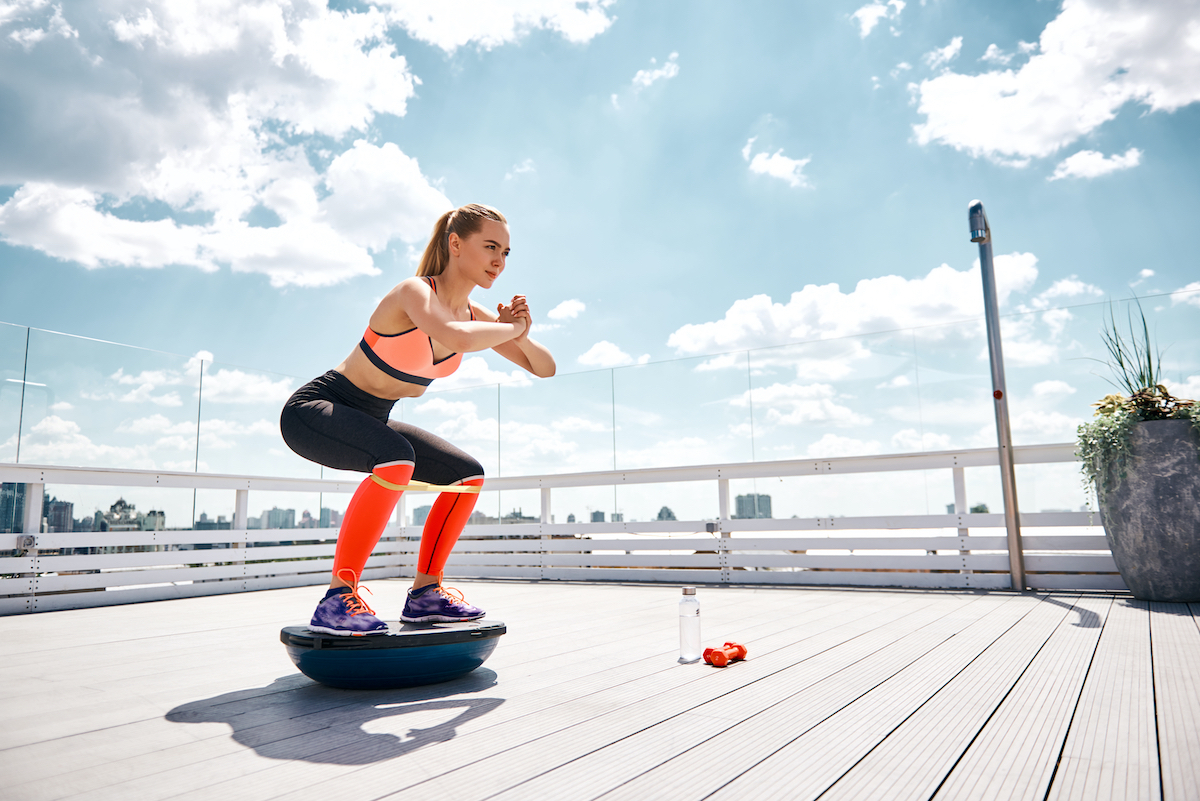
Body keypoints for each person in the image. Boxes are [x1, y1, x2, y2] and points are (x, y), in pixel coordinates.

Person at [280, 203, 555, 635]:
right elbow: (453, 336)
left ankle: (426, 594)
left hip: (374, 419)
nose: (499, 261)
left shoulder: (478, 317)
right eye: (490, 247)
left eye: (505, 252)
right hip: (317, 409)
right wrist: (511, 330)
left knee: (466, 475)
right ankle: (337, 599)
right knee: (396, 459)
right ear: (455, 244)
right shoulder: (414, 293)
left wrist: (521, 331)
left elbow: (544, 367)